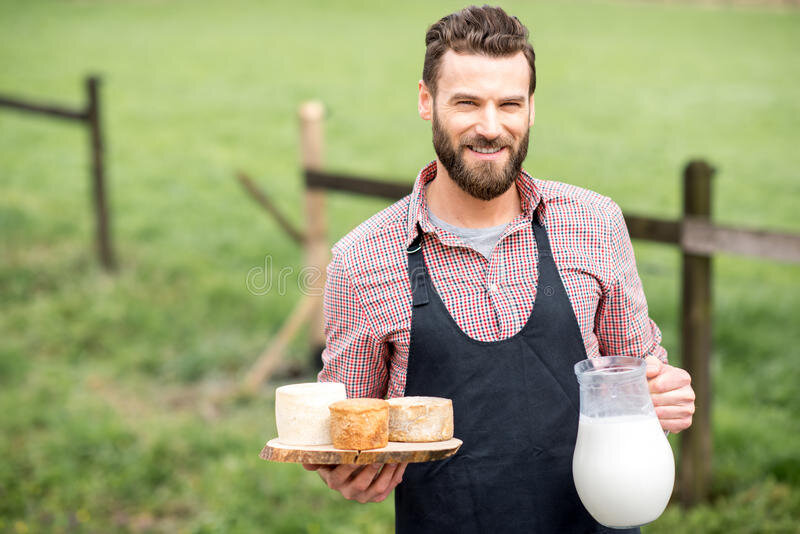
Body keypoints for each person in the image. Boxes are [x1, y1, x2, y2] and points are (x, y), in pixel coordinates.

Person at [303, 5, 695, 532]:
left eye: (509, 104)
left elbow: (638, 379)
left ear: (531, 108)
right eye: (467, 103)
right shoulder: (364, 258)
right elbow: (346, 427)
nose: (491, 128)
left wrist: (664, 395)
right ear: (426, 101)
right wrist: (343, 468)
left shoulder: (594, 222)